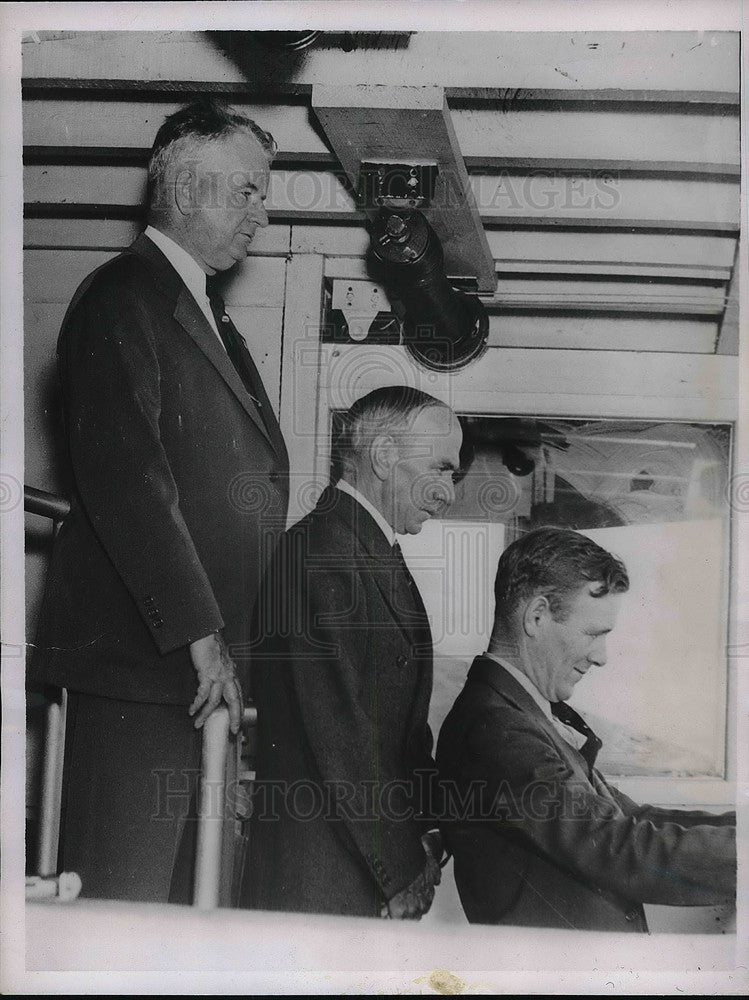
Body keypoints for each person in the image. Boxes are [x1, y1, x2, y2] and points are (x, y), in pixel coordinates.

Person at [29, 101, 289, 902]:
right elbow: (129, 481)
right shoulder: (121, 296)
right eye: (244, 190)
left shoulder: (207, 316)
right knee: (117, 910)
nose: (262, 209)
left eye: (261, 192)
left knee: (175, 916)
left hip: (188, 670)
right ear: (181, 184)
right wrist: (201, 637)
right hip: (141, 666)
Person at [436, 526, 736, 931]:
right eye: (594, 634)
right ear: (536, 616)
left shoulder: (522, 714)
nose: (602, 657)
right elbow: (617, 846)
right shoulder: (494, 727)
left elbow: (631, 816)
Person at [243, 386, 463, 918]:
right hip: (321, 875)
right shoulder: (321, 550)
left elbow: (398, 731)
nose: (448, 492)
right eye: (440, 468)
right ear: (385, 456)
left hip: (349, 868)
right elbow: (340, 731)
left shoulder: (365, 549)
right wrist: (401, 864)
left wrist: (429, 829)